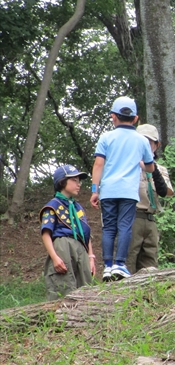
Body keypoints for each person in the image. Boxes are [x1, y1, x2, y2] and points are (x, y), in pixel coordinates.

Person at [91, 96, 155, 281]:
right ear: (135, 118)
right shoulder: (141, 140)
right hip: (128, 191)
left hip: (108, 190)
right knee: (125, 227)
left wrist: (95, 190)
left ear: (113, 116)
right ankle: (120, 264)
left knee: (109, 228)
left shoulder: (106, 138)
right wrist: (142, 164)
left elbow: (98, 164)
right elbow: (150, 167)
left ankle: (108, 266)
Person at [40, 165, 96, 300]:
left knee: (85, 288)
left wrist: (91, 257)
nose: (79, 184)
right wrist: (54, 257)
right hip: (63, 246)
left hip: (80, 248)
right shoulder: (52, 206)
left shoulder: (78, 208)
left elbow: (85, 233)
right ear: (62, 181)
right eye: (75, 180)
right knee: (64, 286)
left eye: (79, 181)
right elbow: (46, 233)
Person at [126, 124, 174, 273]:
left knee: (150, 262)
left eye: (150, 142)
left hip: (150, 219)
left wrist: (149, 167)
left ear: (156, 145)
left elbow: (165, 191)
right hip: (132, 216)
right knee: (129, 258)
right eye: (142, 141)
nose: (146, 145)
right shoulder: (127, 165)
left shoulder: (160, 170)